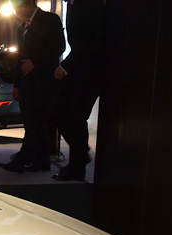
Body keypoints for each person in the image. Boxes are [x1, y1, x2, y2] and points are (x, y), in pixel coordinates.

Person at [0, 0, 65, 173]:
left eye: (17, 9)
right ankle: (41, 161)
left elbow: (59, 47)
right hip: (27, 82)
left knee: (35, 121)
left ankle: (23, 159)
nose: (16, 13)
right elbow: (21, 58)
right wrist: (17, 85)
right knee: (34, 123)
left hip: (44, 80)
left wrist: (35, 62)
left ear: (29, 5)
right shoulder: (22, 27)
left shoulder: (50, 20)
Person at [53, 0, 106, 181]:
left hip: (90, 71)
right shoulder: (75, 4)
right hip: (78, 69)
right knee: (60, 113)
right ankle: (81, 154)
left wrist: (65, 66)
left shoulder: (90, 4)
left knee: (75, 117)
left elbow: (91, 42)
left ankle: (77, 167)